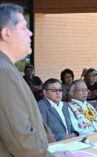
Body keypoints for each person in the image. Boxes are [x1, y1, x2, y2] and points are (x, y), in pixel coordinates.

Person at [0, 4, 70, 157]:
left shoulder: (7, 69)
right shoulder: (4, 72)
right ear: (6, 34)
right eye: (24, 28)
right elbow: (20, 139)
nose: (30, 33)